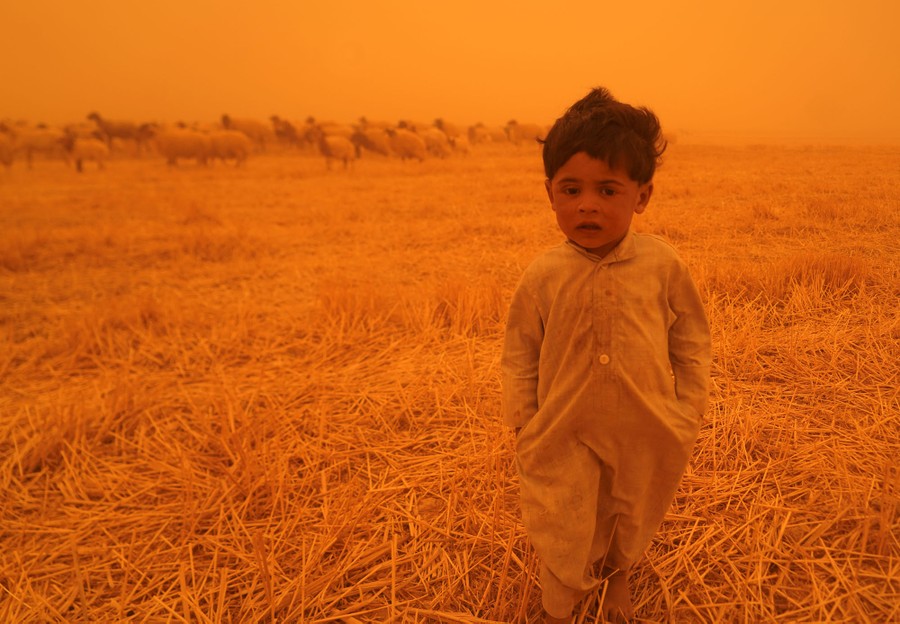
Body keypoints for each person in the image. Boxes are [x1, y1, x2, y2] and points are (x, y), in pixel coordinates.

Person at [501, 87, 711, 623]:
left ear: (642, 196)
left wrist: (687, 409)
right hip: (562, 425)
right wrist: (525, 421)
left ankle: (618, 577)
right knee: (563, 516)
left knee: (629, 507)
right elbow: (520, 352)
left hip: (645, 421)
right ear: (549, 193)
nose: (587, 204)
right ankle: (559, 603)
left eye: (607, 190)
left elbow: (691, 342)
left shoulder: (663, 266)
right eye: (571, 189)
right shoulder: (543, 274)